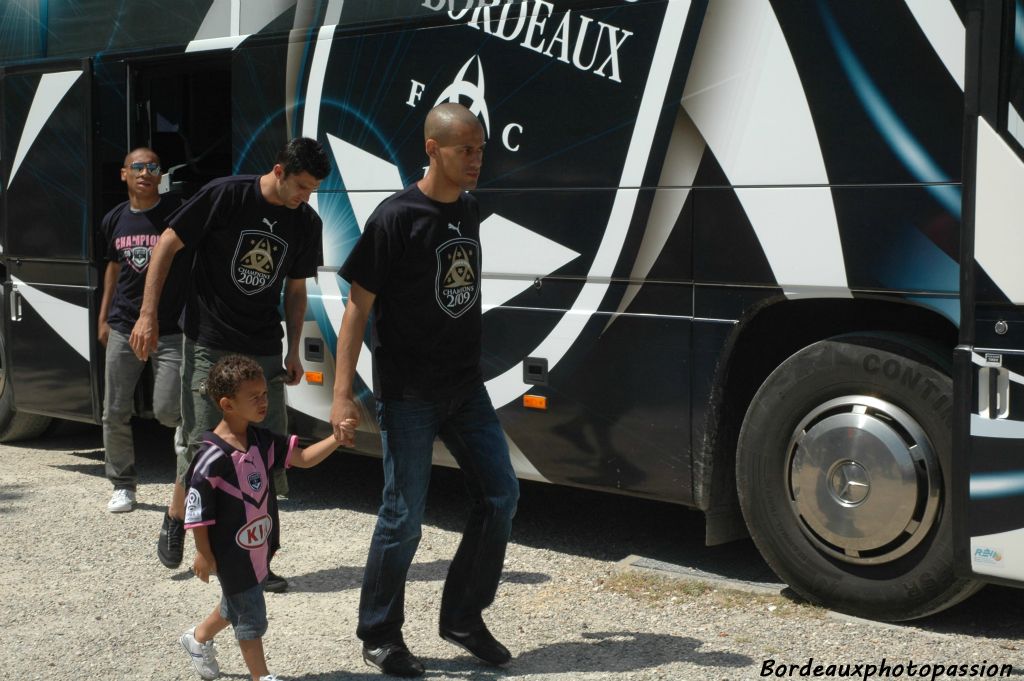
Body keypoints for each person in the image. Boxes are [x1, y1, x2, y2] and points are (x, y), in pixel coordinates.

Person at [330, 103, 519, 677]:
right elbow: (356, 312)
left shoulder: (469, 208)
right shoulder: (395, 218)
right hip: (409, 392)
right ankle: (381, 633)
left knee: (501, 495)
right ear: (434, 149)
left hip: (465, 388)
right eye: (466, 150)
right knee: (403, 516)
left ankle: (462, 617)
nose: (477, 159)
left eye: (481, 149)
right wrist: (341, 396)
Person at [129, 137, 331, 591]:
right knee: (206, 445)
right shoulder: (227, 194)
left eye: (312, 189)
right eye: (300, 185)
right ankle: (178, 514)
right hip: (210, 340)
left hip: (261, 344)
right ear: (279, 171)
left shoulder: (305, 223)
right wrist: (147, 314)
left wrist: (293, 350)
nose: (304, 196)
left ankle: (259, 556)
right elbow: (166, 244)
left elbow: (296, 291)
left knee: (263, 450)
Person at [178, 354, 345, 681]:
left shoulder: (261, 440)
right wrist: (203, 552)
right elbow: (197, 512)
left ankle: (197, 639)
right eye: (253, 397)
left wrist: (336, 439)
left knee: (236, 603)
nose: (263, 402)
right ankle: (262, 676)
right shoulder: (211, 457)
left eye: (265, 394)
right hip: (231, 553)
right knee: (251, 615)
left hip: (256, 547)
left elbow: (303, 458)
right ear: (227, 404)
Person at [98, 147, 188, 513]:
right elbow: (114, 268)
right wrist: (103, 317)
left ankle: (190, 479)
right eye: (138, 166)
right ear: (124, 174)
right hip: (122, 326)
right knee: (114, 410)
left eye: (154, 166)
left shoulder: (176, 213)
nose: (146, 172)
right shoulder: (114, 219)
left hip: (169, 329)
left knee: (171, 411)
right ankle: (123, 484)